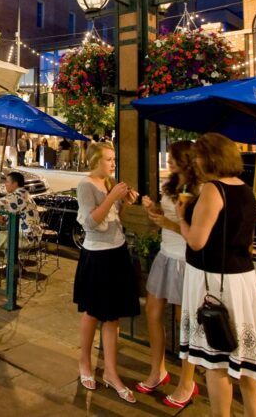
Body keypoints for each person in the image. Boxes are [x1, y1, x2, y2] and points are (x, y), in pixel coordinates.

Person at [176, 132, 256, 417]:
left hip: (214, 280)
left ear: (210, 158)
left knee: (216, 357)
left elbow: (196, 240)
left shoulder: (212, 190)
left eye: (199, 157)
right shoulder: (244, 189)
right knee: (245, 357)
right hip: (242, 278)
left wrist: (182, 216)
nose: (197, 162)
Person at [73, 142, 140, 403]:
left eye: (114, 159)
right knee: (92, 313)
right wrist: (113, 197)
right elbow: (90, 222)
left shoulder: (110, 184)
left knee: (112, 318)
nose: (113, 164)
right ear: (96, 161)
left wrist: (124, 203)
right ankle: (85, 364)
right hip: (96, 255)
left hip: (117, 252)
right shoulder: (85, 185)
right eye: (109, 160)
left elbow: (115, 218)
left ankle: (112, 373)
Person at [138, 141, 199, 407]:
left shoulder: (199, 190)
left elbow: (195, 230)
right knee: (152, 313)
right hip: (165, 255)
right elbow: (166, 216)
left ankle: (188, 380)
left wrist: (170, 223)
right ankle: (157, 369)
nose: (169, 161)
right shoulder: (170, 185)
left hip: (186, 260)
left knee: (184, 321)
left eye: (173, 157)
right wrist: (153, 210)